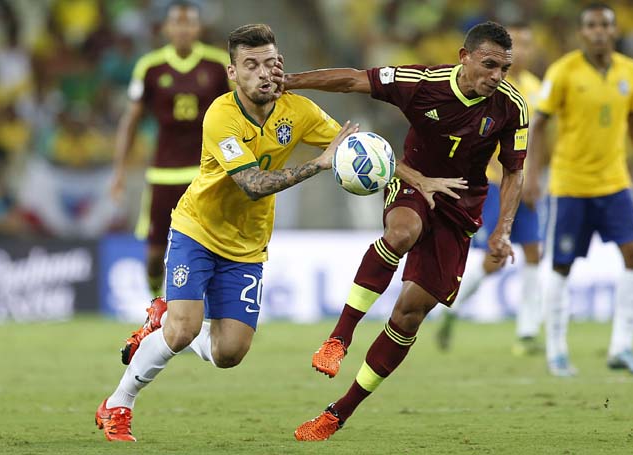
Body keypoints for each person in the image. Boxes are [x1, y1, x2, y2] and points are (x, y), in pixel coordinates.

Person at [94, 23, 448, 443]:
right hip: (197, 230)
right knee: (184, 329)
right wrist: (318, 164)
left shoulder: (298, 110)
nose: (263, 73)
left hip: (247, 246)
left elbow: (363, 148)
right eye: (251, 65)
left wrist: (417, 178)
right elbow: (252, 183)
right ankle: (118, 403)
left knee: (230, 353)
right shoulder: (221, 116)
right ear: (233, 73)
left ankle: (162, 322)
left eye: (270, 63)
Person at [283, 21, 528, 441]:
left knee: (408, 316)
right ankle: (338, 339)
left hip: (461, 211)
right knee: (401, 232)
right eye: (489, 65)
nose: (497, 76)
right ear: (463, 57)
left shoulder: (511, 106)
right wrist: (290, 82)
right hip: (413, 182)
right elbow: (352, 81)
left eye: (504, 68)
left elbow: (514, 172)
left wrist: (502, 230)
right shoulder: (421, 82)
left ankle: (338, 413)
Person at [526, 3, 633, 377]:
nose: (599, 31)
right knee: (561, 265)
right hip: (570, 185)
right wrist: (533, 174)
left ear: (614, 31)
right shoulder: (563, 71)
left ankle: (621, 347)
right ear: (582, 33)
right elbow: (538, 125)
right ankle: (556, 351)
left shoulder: (630, 72)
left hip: (615, 182)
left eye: (605, 25)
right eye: (591, 25)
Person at [110, 0, 231, 299]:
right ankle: (155, 304)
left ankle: (211, 313)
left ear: (199, 27)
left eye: (189, 22)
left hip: (206, 174)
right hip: (162, 174)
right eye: (177, 23)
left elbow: (237, 113)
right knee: (154, 255)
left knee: (212, 248)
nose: (183, 29)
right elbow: (131, 121)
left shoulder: (218, 65)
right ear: (166, 28)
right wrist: (119, 172)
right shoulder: (150, 67)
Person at [436, 22, 544, 356]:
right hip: (495, 182)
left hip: (524, 182)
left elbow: (539, 139)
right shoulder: (487, 85)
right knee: (493, 260)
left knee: (533, 253)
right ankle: (448, 309)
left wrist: (535, 175)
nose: (523, 51)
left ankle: (526, 333)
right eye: (518, 45)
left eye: (527, 44)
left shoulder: (535, 88)